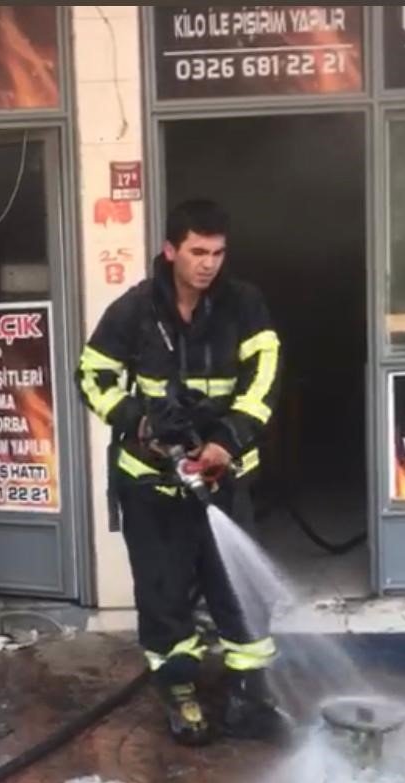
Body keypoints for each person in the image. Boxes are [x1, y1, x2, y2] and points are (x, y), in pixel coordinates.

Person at [77, 199, 282, 745]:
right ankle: (180, 692)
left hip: (225, 478)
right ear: (172, 250)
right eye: (197, 251)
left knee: (239, 591)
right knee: (163, 595)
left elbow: (264, 380)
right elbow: (92, 376)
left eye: (217, 253)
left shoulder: (245, 306)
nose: (208, 264)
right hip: (151, 483)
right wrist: (140, 424)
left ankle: (249, 695)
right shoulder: (135, 310)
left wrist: (225, 442)